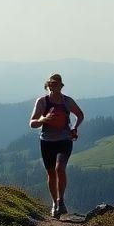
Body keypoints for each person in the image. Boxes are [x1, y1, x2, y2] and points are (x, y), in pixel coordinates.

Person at [29, 73, 84, 218]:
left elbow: (80, 115)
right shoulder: (42, 102)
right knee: (51, 173)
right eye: (51, 83)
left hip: (65, 139)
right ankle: (55, 204)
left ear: (61, 85)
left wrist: (74, 128)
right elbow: (32, 123)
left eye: (56, 83)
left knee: (60, 168)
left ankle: (61, 201)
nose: (54, 86)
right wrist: (44, 119)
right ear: (47, 85)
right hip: (46, 141)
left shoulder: (67, 101)